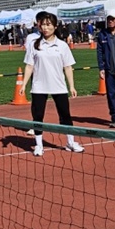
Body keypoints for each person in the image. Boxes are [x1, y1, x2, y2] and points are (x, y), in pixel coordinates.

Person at [21, 12, 83, 156]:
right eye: (43, 24)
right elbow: (29, 66)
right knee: (38, 116)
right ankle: (39, 145)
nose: (45, 28)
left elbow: (67, 67)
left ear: (55, 27)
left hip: (58, 86)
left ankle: (70, 142)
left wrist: (71, 86)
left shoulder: (62, 46)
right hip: (39, 86)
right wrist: (24, 84)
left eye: (49, 24)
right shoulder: (34, 45)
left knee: (65, 115)